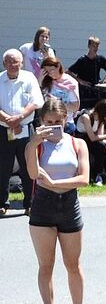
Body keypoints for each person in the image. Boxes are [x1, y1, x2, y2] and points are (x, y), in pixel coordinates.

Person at [25, 98, 90, 304]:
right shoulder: (36, 145)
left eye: (58, 122)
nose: (53, 126)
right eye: (48, 121)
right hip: (42, 207)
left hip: (69, 206)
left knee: (73, 264)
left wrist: (54, 182)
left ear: (66, 120)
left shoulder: (77, 144)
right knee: (46, 265)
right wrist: (33, 144)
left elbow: (84, 179)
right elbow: (33, 173)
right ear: (41, 121)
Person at [1, 49, 44, 216]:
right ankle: (2, 203)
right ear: (4, 63)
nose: (13, 65)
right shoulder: (0, 79)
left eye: (16, 61)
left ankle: (30, 203)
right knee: (2, 168)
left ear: (22, 63)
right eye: (9, 61)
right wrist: (8, 121)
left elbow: (37, 102)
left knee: (28, 167)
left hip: (25, 128)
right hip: (3, 129)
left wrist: (19, 118)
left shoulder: (29, 78)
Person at [68, 36, 106, 109]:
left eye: (97, 46)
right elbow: (68, 72)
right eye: (93, 46)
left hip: (95, 89)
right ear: (89, 46)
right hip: (84, 90)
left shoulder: (100, 58)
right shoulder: (82, 60)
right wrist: (81, 81)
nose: (95, 48)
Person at [40, 56, 81, 134]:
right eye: (47, 71)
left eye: (52, 70)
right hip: (48, 123)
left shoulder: (70, 82)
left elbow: (75, 106)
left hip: (65, 123)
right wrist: (40, 82)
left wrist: (56, 103)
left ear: (58, 66)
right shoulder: (46, 81)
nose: (50, 73)